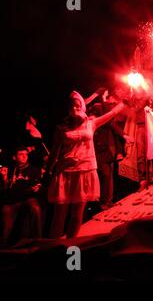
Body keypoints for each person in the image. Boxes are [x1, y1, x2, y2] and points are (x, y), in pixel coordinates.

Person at [45, 90, 129, 238]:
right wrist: (48, 173)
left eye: (77, 105)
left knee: (77, 214)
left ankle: (71, 247)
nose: (75, 108)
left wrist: (126, 99)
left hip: (86, 171)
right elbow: (54, 154)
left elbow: (112, 113)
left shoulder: (91, 123)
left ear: (82, 106)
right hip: (65, 173)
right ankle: (54, 249)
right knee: (60, 215)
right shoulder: (61, 129)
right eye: (72, 106)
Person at [1, 147, 43, 244]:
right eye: (21, 154)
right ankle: (3, 246)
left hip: (27, 198)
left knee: (35, 207)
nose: (24, 156)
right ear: (14, 157)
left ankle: (39, 240)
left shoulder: (34, 170)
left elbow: (39, 184)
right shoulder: (9, 169)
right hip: (11, 201)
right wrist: (3, 179)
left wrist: (38, 188)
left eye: (26, 154)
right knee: (5, 212)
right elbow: (4, 190)